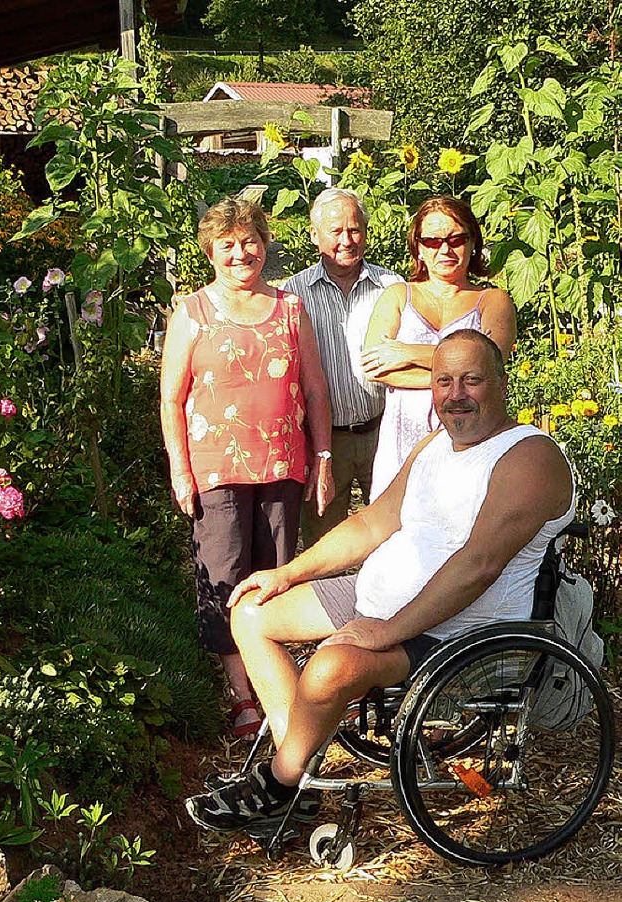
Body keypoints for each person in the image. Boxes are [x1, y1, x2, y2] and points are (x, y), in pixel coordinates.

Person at [185, 329, 575, 832]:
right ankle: (296, 772)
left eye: (472, 380)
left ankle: (278, 784)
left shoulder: (529, 456)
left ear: (501, 383)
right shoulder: (436, 446)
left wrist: (385, 631)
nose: (456, 395)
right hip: (377, 601)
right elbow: (372, 523)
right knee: (252, 609)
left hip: (455, 634)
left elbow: (479, 563)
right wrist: (286, 572)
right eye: (444, 382)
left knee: (329, 668)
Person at [160, 197, 333, 740]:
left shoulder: (290, 308)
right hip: (218, 472)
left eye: (250, 241)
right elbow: (171, 400)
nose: (241, 253)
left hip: (283, 465)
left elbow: (315, 388)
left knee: (276, 578)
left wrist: (322, 459)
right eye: (228, 244)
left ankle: (275, 687)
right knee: (226, 575)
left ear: (265, 244)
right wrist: (180, 471)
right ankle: (242, 697)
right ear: (210, 250)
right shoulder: (192, 313)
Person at [362, 195, 516, 500]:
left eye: (456, 239)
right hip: (401, 442)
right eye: (432, 241)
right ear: (418, 247)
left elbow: (491, 362)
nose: (444, 249)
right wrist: (463, 375)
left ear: (473, 243)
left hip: (470, 436)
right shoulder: (397, 295)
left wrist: (406, 352)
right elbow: (374, 366)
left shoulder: (494, 299)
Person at [283, 188, 403, 546]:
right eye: (336, 231)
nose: (347, 241)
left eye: (355, 230)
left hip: (384, 431)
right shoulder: (294, 293)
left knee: (394, 535)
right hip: (325, 440)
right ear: (314, 235)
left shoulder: (392, 287)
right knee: (325, 540)